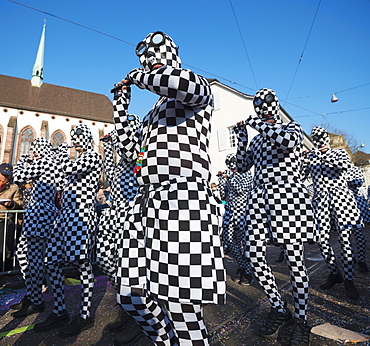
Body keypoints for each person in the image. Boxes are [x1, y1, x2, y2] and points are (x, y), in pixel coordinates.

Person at [112, 31, 226, 345]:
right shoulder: (151, 115)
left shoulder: (196, 91)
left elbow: (179, 82)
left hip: (183, 199)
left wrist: (138, 76)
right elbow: (131, 154)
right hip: (146, 201)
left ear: (172, 54)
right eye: (142, 54)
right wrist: (120, 108)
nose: (147, 57)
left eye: (154, 51)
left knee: (181, 305)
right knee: (130, 294)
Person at [234, 88, 316, 345]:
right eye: (259, 107)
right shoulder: (258, 139)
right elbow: (241, 166)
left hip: (288, 199)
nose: (264, 111)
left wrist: (256, 123)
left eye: (268, 106)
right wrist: (241, 138)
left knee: (294, 260)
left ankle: (302, 320)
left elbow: (288, 143)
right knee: (254, 255)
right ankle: (280, 309)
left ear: (276, 106)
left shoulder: (292, 128)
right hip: (259, 199)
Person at [34, 124, 102, 337]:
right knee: (51, 261)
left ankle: (85, 315)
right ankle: (59, 310)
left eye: (80, 136)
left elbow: (69, 169)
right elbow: (62, 179)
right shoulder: (76, 159)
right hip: (64, 216)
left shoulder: (92, 156)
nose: (77, 139)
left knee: (81, 263)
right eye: (75, 136)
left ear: (88, 138)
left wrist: (61, 152)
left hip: (81, 216)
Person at [302, 126, 361, 299]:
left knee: (345, 240)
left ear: (326, 138)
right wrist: (300, 161)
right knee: (320, 238)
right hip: (320, 201)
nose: (318, 140)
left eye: (321, 137)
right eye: (315, 137)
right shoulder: (311, 157)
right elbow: (300, 176)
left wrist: (319, 158)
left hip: (340, 199)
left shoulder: (338, 153)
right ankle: (335, 273)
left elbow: (344, 166)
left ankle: (349, 281)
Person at [95, 129, 140, 339]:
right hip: (113, 215)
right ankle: (126, 302)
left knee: (134, 268)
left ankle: (140, 317)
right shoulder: (119, 162)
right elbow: (110, 175)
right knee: (104, 259)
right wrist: (108, 146)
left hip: (133, 217)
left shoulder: (140, 157)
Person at [11, 138, 61, 318]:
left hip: (39, 213)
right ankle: (32, 295)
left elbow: (18, 176)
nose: (32, 154)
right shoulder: (52, 163)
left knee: (34, 258)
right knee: (25, 254)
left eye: (34, 151)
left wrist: (23, 160)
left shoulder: (45, 161)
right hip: (40, 212)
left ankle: (36, 300)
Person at [217, 153, 254, 286]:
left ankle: (247, 272)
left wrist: (230, 177)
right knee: (230, 243)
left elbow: (240, 190)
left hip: (243, 214)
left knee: (245, 245)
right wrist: (221, 180)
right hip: (229, 214)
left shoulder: (247, 175)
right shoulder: (230, 177)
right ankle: (243, 266)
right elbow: (223, 196)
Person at [346, 165, 369, 273]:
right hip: (339, 204)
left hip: (354, 203)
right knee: (345, 236)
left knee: (358, 233)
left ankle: (361, 260)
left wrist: (341, 182)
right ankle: (351, 259)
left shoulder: (354, 169)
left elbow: (359, 182)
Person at [0, 163, 22, 272]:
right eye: (3, 174)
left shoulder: (14, 187)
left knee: (5, 247)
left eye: (7, 175)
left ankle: (5, 270)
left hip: (5, 218)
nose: (5, 177)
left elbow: (18, 202)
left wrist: (11, 204)